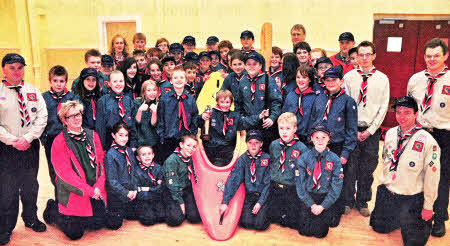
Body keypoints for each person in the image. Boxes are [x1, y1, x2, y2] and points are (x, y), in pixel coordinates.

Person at [370, 96, 440, 245]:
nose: (401, 117)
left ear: (416, 114)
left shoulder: (428, 141)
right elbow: (386, 162)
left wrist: (428, 207)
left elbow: (432, 178)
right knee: (379, 228)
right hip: (390, 193)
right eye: (398, 112)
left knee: (413, 243)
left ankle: (419, 220)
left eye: (407, 113)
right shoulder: (390, 134)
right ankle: (396, 217)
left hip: (412, 198)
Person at [0, 53, 48, 245]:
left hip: (30, 146)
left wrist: (28, 138)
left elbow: (42, 117)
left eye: (20, 67)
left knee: (30, 185)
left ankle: (31, 218)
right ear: (4, 69)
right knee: (7, 189)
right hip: (6, 148)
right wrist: (12, 140)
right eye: (12, 67)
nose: (17, 71)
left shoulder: (33, 91)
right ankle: (5, 227)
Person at [49, 100, 113, 240]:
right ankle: (53, 211)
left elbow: (101, 164)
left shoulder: (92, 135)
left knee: (97, 225)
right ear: (64, 120)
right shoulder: (59, 142)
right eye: (72, 116)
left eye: (78, 114)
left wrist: (98, 187)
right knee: (75, 234)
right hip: (76, 192)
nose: (77, 118)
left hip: (95, 191)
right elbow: (65, 175)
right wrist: (90, 191)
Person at [407, 38, 449, 237]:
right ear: (424, 57)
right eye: (429, 56)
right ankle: (418, 214)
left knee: (440, 179)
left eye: (436, 56)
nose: (432, 60)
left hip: (443, 135)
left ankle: (439, 218)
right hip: (419, 133)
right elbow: (409, 108)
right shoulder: (416, 79)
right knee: (416, 174)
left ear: (445, 56)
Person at [343, 41, 390, 217]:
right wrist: (352, 130)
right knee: (350, 167)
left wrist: (370, 130)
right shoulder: (349, 77)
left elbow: (383, 107)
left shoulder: (382, 79)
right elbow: (345, 105)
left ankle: (362, 201)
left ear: (374, 55)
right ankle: (347, 200)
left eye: (367, 54)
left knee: (367, 168)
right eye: (361, 55)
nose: (364, 58)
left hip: (372, 130)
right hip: (351, 129)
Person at [310, 66, 358, 225]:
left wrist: (345, 153)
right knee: (320, 176)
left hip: (337, 146)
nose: (330, 83)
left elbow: (352, 130)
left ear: (341, 81)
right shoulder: (319, 98)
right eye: (327, 80)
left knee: (335, 179)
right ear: (323, 82)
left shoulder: (348, 102)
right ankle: (321, 208)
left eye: (334, 80)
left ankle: (335, 211)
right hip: (319, 145)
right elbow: (314, 120)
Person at [296, 123, 343, 238]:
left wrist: (322, 206)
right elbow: (300, 185)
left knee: (320, 233)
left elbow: (336, 187)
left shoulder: (335, 160)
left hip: (324, 197)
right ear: (311, 138)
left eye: (324, 137)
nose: (320, 140)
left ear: (329, 138)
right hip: (308, 197)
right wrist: (311, 205)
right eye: (316, 137)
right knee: (304, 231)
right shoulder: (304, 158)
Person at [41, 65, 79, 208]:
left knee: (70, 170)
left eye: (62, 81)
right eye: (55, 81)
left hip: (69, 140)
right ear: (50, 81)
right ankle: (60, 202)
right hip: (51, 140)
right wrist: (44, 139)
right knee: (54, 172)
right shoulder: (43, 98)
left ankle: (72, 202)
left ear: (66, 82)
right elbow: (40, 120)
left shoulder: (72, 97)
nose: (58, 84)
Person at [220, 130, 271, 231]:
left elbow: (268, 184)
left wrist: (260, 202)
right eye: (250, 143)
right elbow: (234, 180)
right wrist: (225, 202)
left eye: (256, 142)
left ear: (261, 144)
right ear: (246, 144)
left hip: (263, 195)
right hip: (250, 195)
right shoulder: (242, 159)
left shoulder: (267, 159)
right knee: (246, 223)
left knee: (259, 225)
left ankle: (267, 213)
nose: (253, 146)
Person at [267, 112, 309, 230]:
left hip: (291, 189)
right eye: (281, 128)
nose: (284, 132)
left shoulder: (302, 148)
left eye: (288, 128)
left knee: (291, 223)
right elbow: (272, 163)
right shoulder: (274, 145)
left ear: (295, 128)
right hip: (275, 188)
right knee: (271, 217)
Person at [235, 52, 282, 152]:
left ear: (260, 65)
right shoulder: (243, 81)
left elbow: (276, 101)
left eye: (254, 64)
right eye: (249, 64)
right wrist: (240, 119)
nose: (251, 67)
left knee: (265, 153)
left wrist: (272, 118)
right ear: (245, 66)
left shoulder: (268, 80)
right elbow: (238, 103)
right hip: (249, 124)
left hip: (265, 125)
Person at [157, 67, 199, 162]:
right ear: (171, 81)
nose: (179, 80)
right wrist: (162, 137)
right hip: (168, 138)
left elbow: (194, 118)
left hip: (185, 139)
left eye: (181, 78)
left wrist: (192, 135)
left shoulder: (190, 99)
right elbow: (160, 119)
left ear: (185, 81)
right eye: (175, 78)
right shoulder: (164, 99)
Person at [200, 90, 249, 167]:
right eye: (222, 102)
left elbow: (245, 127)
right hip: (211, 147)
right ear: (217, 102)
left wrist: (259, 117)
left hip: (227, 149)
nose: (225, 105)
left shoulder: (235, 116)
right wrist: (202, 117)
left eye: (227, 102)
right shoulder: (211, 112)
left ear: (231, 103)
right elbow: (198, 123)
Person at [104, 123, 139, 229]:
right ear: (113, 135)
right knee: (115, 225)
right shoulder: (110, 155)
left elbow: (134, 172)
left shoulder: (129, 151)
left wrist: (135, 189)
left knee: (137, 216)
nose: (124, 139)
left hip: (130, 191)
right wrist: (126, 193)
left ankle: (126, 208)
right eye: (120, 135)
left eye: (126, 135)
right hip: (117, 193)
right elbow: (112, 181)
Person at [163, 135, 202, 226]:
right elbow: (172, 185)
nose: (191, 149)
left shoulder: (191, 158)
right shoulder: (172, 160)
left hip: (185, 189)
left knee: (195, 218)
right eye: (188, 145)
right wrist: (181, 203)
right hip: (172, 191)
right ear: (181, 144)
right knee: (175, 220)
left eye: (194, 147)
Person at [95, 70, 137, 150]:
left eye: (121, 81)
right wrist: (102, 148)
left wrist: (133, 145)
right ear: (109, 83)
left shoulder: (128, 100)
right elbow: (100, 127)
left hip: (127, 142)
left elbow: (133, 125)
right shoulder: (103, 101)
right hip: (109, 142)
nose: (118, 84)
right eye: (115, 81)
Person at [282, 65, 319, 143]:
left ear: (309, 79)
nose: (300, 80)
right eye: (298, 77)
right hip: (291, 136)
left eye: (304, 77)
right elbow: (284, 115)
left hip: (308, 138)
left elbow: (316, 119)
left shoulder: (315, 97)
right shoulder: (291, 95)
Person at [133, 145, 166, 225]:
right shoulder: (136, 171)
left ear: (153, 155)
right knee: (149, 221)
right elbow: (137, 189)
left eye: (149, 154)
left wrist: (147, 189)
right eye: (143, 155)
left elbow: (161, 188)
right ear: (138, 158)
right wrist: (155, 188)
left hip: (156, 198)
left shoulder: (158, 168)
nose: (147, 156)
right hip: (144, 201)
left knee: (162, 218)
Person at [134, 80, 160, 160]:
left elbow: (153, 124)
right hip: (140, 141)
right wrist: (140, 110)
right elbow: (136, 122)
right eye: (149, 90)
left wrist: (155, 112)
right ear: (144, 92)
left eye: (154, 90)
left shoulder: (159, 104)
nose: (152, 92)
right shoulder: (137, 102)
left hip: (153, 141)